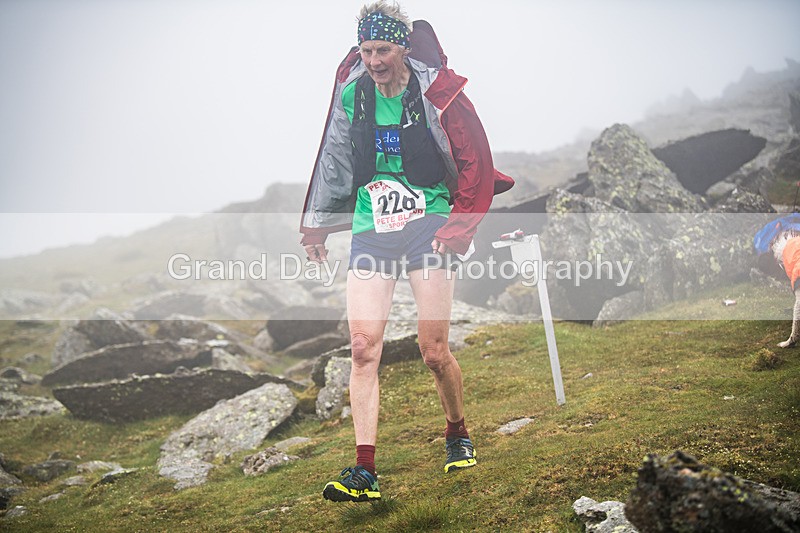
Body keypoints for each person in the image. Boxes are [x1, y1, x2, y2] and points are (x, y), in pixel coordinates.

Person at [300, 1, 514, 502]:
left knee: (433, 351)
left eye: (383, 49)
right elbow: (332, 158)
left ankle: (457, 430)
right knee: (361, 347)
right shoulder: (353, 94)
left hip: (429, 223)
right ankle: (364, 470)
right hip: (372, 225)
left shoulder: (437, 92)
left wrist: (458, 228)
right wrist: (316, 229)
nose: (373, 60)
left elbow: (474, 159)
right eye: (365, 50)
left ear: (403, 46)